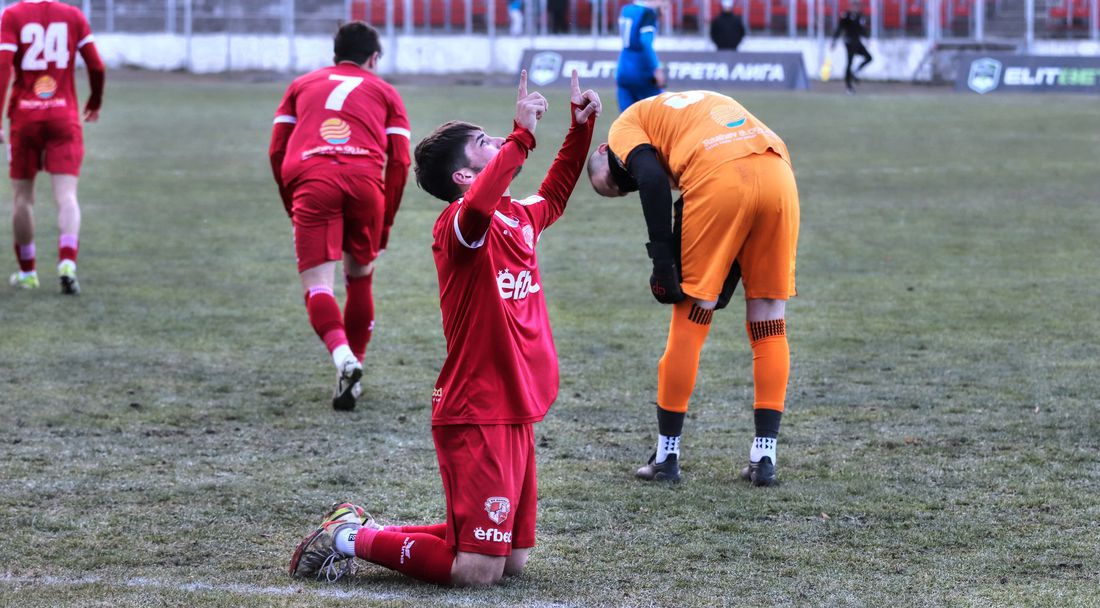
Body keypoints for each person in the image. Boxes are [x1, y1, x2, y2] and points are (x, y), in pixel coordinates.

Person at [287, 70, 600, 587]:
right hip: (475, 409)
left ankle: (357, 525)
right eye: (484, 142)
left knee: (513, 559)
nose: (498, 140)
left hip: (514, 406)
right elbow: (479, 205)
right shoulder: (458, 224)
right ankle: (349, 538)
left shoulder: (516, 217)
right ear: (461, 176)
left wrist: (579, 129)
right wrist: (522, 136)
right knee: (477, 571)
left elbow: (557, 193)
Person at [587, 90, 799, 486]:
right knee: (770, 317)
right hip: (777, 172)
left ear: (608, 151)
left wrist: (662, 261)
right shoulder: (678, 108)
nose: (626, 182)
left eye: (617, 180)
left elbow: (650, 178)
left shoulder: (623, 127)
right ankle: (764, 456)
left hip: (718, 177)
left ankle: (667, 457)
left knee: (691, 315)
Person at [268, 21, 410, 411]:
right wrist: (386, 221)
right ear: (374, 58)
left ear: (335, 55)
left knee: (318, 286)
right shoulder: (385, 91)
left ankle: (341, 357)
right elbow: (399, 161)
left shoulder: (301, 84)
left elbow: (277, 151)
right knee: (360, 275)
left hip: (312, 182)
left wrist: (291, 203)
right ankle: (355, 366)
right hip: (365, 182)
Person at [0, 0, 105, 294]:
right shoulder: (73, 15)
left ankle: (28, 272)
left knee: (22, 198)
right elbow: (96, 65)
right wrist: (94, 102)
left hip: (25, 117)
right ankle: (67, 263)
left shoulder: (13, 14)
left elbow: (3, 66)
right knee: (67, 195)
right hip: (64, 116)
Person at [616, 0, 665, 111]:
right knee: (660, 111)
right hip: (641, 69)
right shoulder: (648, 13)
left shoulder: (626, 9)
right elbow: (645, 42)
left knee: (627, 119)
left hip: (623, 67)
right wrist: (656, 67)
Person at [830, 0, 872, 94]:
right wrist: (834, 41)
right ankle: (848, 87)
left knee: (869, 58)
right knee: (849, 62)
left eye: (857, 5)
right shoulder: (846, 15)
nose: (856, 7)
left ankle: (856, 72)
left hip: (857, 42)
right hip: (849, 42)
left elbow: (862, 29)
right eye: (854, 5)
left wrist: (867, 38)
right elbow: (839, 28)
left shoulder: (860, 16)